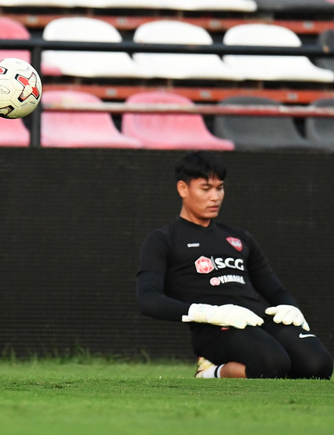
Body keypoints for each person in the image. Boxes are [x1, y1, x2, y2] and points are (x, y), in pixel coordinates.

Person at [136, 151, 332, 379]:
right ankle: (210, 372)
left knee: (318, 365)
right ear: (183, 189)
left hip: (257, 319)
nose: (215, 197)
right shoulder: (164, 239)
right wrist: (208, 312)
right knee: (272, 364)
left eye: (219, 188)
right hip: (215, 328)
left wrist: (290, 308)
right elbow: (148, 299)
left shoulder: (239, 238)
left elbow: (276, 291)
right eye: (206, 188)